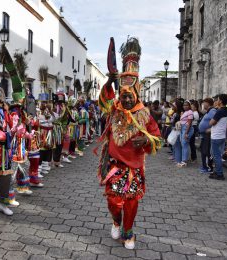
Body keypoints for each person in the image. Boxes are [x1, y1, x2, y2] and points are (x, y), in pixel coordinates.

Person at [97, 37, 161, 250]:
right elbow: (105, 100)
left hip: (133, 168)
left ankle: (128, 231)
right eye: (123, 96)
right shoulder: (114, 110)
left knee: (131, 202)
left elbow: (157, 138)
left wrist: (148, 139)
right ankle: (116, 220)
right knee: (114, 202)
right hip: (114, 165)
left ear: (136, 96)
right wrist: (109, 81)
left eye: (129, 97)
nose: (125, 100)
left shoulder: (145, 115)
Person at [209, 94, 227, 180]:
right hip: (222, 135)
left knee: (216, 155)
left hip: (216, 136)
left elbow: (211, 122)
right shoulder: (226, 110)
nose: (216, 101)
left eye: (217, 100)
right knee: (217, 154)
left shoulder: (220, 111)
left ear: (220, 101)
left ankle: (219, 174)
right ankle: (217, 171)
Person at [198, 98, 216, 173]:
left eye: (204, 103)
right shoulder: (208, 111)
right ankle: (204, 166)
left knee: (206, 151)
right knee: (203, 150)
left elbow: (216, 122)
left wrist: (210, 130)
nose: (203, 104)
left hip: (208, 135)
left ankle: (209, 167)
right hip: (204, 134)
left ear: (208, 103)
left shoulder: (213, 111)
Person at [175, 101, 194, 167]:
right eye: (184, 105)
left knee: (184, 144)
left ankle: (184, 161)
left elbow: (189, 123)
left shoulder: (190, 112)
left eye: (187, 105)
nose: (185, 106)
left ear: (189, 106)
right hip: (182, 129)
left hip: (187, 129)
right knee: (183, 144)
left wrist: (186, 133)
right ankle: (182, 159)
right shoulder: (185, 112)